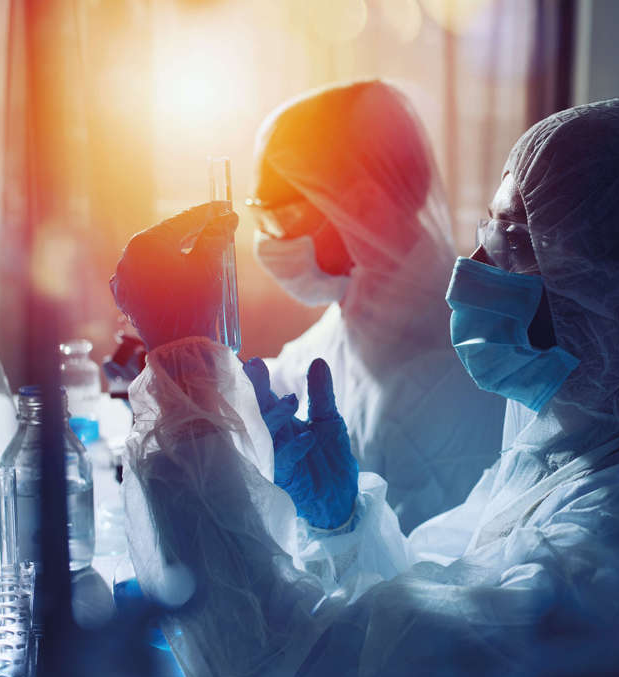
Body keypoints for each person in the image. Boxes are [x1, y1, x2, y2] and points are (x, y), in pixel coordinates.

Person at [115, 94, 619, 677]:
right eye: (486, 230)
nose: (471, 265)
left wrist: (182, 390)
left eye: (514, 241)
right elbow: (430, 610)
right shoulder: (582, 469)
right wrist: (344, 524)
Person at [113, 79, 504, 533]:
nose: (265, 238)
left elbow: (408, 589)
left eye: (278, 215)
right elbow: (286, 383)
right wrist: (184, 374)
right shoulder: (359, 314)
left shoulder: (454, 378)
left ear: (363, 206)